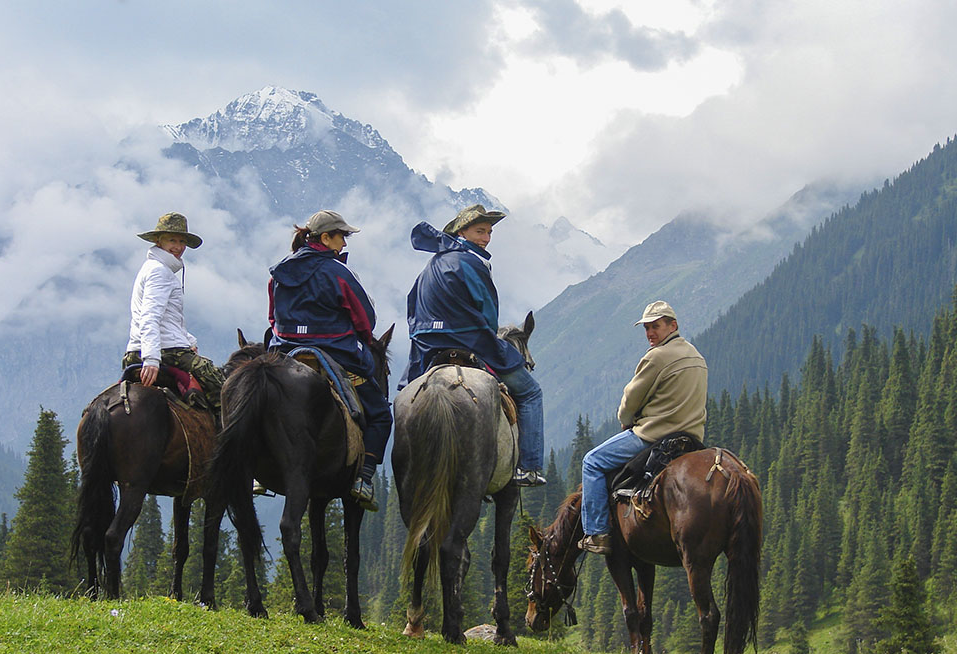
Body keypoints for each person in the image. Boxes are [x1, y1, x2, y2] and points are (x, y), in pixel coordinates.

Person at [403, 204, 546, 487]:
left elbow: (412, 306)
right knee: (531, 393)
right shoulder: (472, 263)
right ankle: (528, 468)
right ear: (462, 231)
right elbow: (489, 314)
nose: (486, 238)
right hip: (469, 341)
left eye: (489, 232)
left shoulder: (431, 265)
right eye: (480, 231)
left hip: (428, 347)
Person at [267, 210, 391, 512]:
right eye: (342, 236)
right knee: (380, 415)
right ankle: (363, 478)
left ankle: (258, 473)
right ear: (326, 238)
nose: (344, 243)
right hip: (335, 350)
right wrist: (362, 337)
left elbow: (272, 316)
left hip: (285, 350)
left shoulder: (279, 273)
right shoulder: (337, 272)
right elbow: (366, 320)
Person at [578, 300, 708, 554]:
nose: (650, 333)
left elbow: (629, 402)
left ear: (673, 325)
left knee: (591, 461)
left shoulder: (656, 357)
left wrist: (626, 419)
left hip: (654, 436)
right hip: (692, 438)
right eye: (647, 328)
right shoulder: (696, 356)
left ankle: (597, 533)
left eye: (656, 326)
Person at [123, 212, 226, 423]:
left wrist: (189, 341)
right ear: (158, 241)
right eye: (172, 240)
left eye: (181, 241)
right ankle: (224, 437)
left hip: (137, 349)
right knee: (218, 382)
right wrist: (151, 358)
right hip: (164, 350)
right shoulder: (160, 272)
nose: (178, 246)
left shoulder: (152, 268)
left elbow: (168, 319)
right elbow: (150, 316)